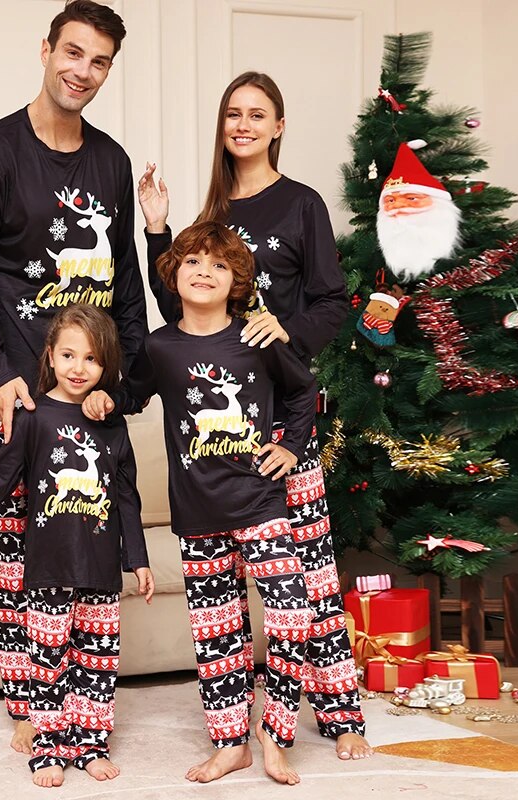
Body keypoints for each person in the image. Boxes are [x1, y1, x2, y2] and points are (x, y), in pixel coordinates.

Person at [137, 71, 371, 760]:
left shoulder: (301, 205)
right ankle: (234, 730)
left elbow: (332, 302)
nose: (243, 124)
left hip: (281, 419)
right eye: (233, 113)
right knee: (227, 598)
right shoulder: (212, 213)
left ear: (278, 126)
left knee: (310, 583)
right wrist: (157, 231)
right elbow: (180, 317)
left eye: (257, 114)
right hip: (221, 437)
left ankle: (341, 715)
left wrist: (282, 337)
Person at [0, 0, 147, 753]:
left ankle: (85, 712)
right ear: (46, 50)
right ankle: (31, 713)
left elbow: (126, 288)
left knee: (87, 559)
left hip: (91, 400)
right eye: (73, 53)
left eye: (98, 61)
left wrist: (120, 391)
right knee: (14, 564)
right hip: (18, 393)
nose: (82, 71)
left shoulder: (113, 162)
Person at [84, 222, 318, 785]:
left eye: (219, 264)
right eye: (193, 262)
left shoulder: (259, 336)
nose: (205, 272)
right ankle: (231, 742)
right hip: (197, 516)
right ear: (175, 274)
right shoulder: (160, 347)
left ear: (238, 280)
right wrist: (101, 397)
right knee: (217, 639)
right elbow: (133, 393)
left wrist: (289, 445)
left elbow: (303, 393)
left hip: (262, 504)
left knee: (292, 622)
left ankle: (275, 734)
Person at [0, 304, 154, 788]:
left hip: (100, 569)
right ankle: (48, 747)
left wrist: (137, 559)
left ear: (107, 369)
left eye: (91, 360)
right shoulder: (31, 417)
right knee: (46, 661)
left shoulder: (113, 425)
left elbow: (127, 497)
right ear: (49, 356)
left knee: (98, 663)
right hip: (47, 567)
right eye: (69, 355)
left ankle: (90, 744)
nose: (78, 368)